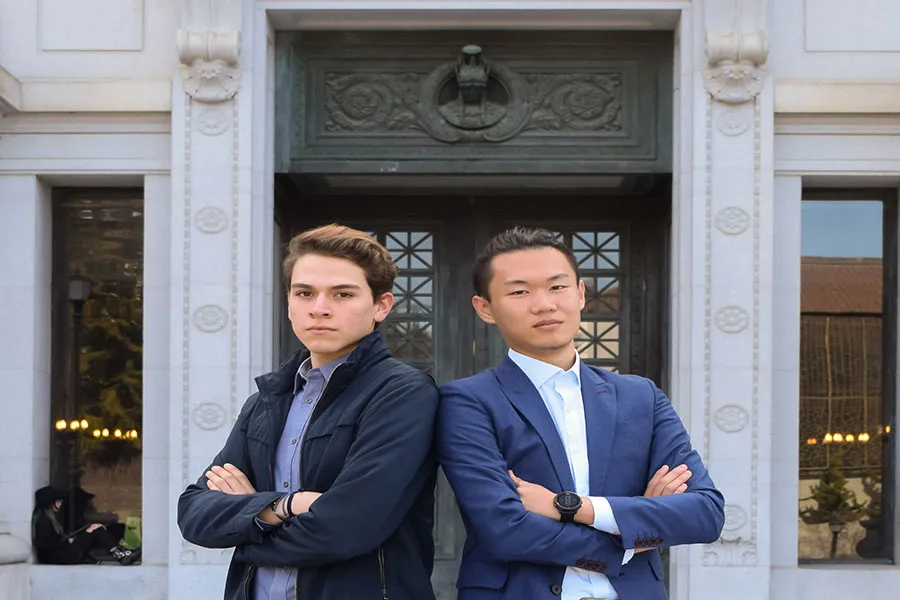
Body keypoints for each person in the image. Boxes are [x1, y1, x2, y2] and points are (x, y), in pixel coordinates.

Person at [436, 227, 725, 600]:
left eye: (557, 287)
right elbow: (506, 528)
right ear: (485, 308)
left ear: (581, 293)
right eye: (520, 292)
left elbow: (705, 513)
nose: (544, 304)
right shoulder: (467, 401)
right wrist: (631, 533)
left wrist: (572, 508)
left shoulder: (641, 396)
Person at [177, 224, 439, 600]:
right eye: (304, 293)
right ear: (289, 303)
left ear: (381, 305)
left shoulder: (403, 393)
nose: (319, 309)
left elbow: (346, 528)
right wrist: (288, 505)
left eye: (342, 294)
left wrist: (247, 524)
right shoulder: (267, 400)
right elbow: (193, 513)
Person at [31, 485, 139, 565]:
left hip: (59, 554)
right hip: (59, 556)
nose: (60, 503)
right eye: (58, 501)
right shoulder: (43, 520)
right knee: (96, 528)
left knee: (95, 527)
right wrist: (67, 541)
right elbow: (44, 543)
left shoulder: (49, 517)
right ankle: (121, 555)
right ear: (50, 503)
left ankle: (121, 553)